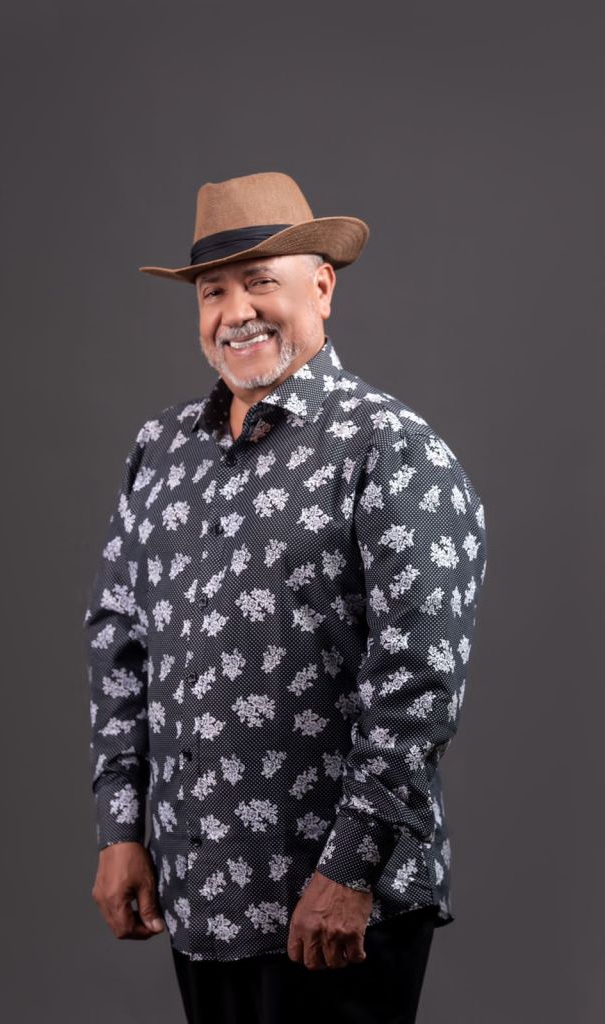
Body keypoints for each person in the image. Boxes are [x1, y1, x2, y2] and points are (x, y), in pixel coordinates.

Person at [83, 171, 488, 1023]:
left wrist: (350, 869)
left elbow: (418, 679)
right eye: (213, 291)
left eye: (260, 281)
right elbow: (119, 644)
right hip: (198, 891)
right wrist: (120, 829)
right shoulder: (161, 452)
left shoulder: (388, 447)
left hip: (336, 904)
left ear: (322, 287)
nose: (237, 313)